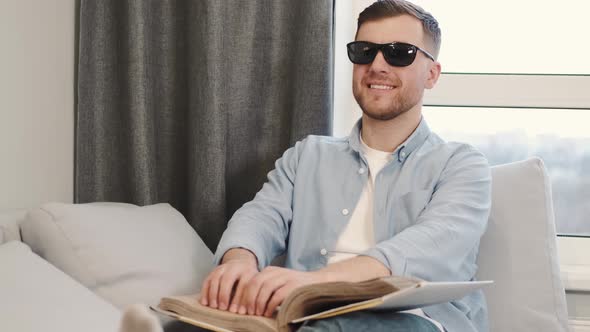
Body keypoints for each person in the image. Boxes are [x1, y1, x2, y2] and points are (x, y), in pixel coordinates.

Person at [117, 1, 490, 332]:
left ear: (432, 74)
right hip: (300, 313)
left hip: (417, 321)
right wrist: (240, 261)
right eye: (364, 51)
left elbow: (428, 246)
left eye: (399, 53)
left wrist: (314, 283)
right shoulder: (307, 155)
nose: (377, 65)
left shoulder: (461, 165)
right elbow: (261, 215)